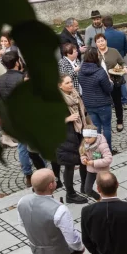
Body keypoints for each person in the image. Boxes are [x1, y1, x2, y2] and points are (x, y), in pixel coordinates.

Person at [0, 49, 42, 186]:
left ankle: (28, 174)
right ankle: (41, 171)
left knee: (22, 147)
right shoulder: (22, 79)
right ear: (17, 62)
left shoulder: (0, 80)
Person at [55, 74, 89, 205]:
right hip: (66, 137)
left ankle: (85, 186)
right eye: (67, 83)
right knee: (69, 166)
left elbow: (83, 112)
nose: (71, 84)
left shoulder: (75, 94)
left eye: (71, 81)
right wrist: (66, 119)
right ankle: (70, 194)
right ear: (60, 85)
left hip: (79, 133)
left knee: (83, 161)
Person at [77, 47, 115, 152]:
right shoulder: (100, 72)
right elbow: (108, 89)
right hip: (102, 103)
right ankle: (107, 150)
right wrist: (111, 82)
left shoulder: (81, 71)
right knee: (106, 127)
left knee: (96, 128)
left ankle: (97, 148)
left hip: (89, 103)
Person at [94, 34, 127, 135]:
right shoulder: (94, 54)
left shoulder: (114, 51)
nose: (101, 43)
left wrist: (125, 67)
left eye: (102, 40)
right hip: (100, 84)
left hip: (114, 81)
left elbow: (122, 62)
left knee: (117, 102)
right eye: (98, 41)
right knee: (104, 104)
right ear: (96, 43)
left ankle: (120, 121)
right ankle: (105, 123)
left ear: (106, 41)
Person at [101, 14, 127, 108]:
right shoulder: (121, 34)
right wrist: (121, 56)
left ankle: (114, 102)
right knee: (122, 81)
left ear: (103, 25)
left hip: (107, 61)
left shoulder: (103, 37)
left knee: (110, 80)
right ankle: (125, 101)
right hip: (120, 60)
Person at [79, 128, 112, 199]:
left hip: (102, 171)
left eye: (89, 137)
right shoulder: (85, 144)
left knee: (105, 189)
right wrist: (84, 159)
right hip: (91, 170)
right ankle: (99, 199)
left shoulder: (102, 145)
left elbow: (108, 159)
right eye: (85, 137)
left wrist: (93, 162)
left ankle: (107, 200)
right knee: (87, 189)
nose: (87, 139)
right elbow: (83, 154)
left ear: (95, 136)